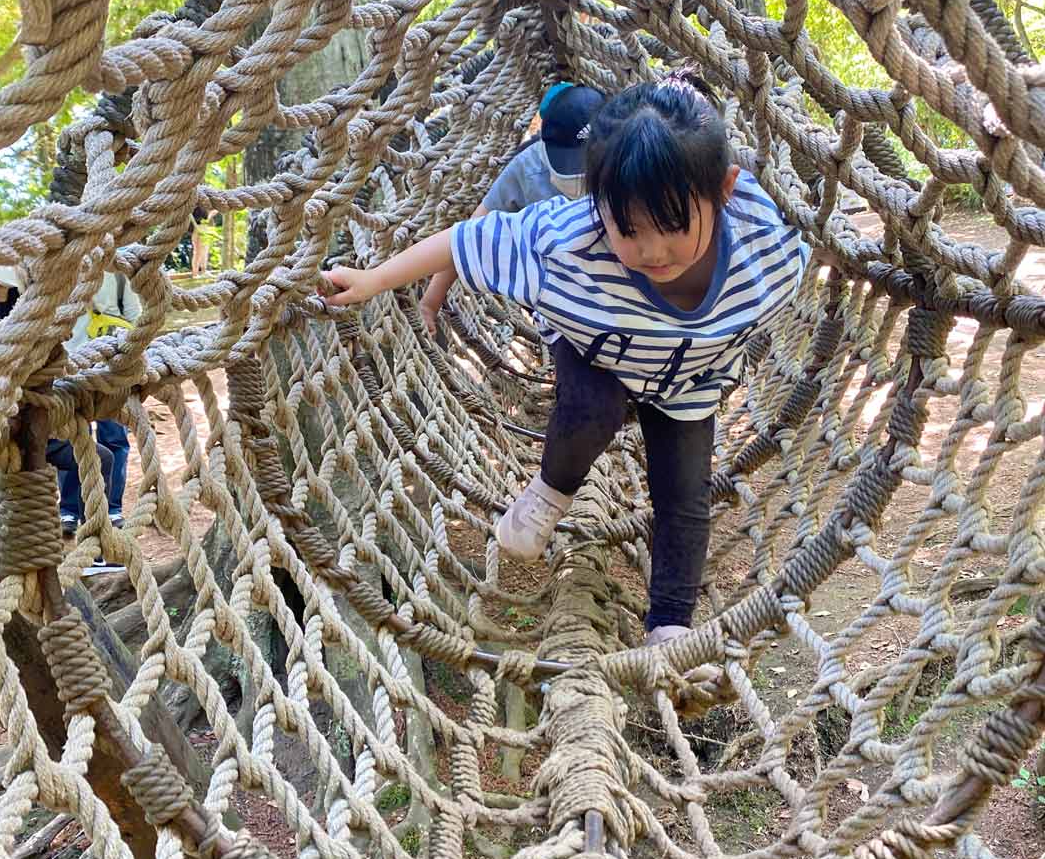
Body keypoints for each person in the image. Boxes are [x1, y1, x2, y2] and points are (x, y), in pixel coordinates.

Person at [319, 80, 809, 646]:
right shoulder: (568, 241)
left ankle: (669, 625)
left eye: (672, 227)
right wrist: (374, 281)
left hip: (685, 378)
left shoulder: (767, 251)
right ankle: (550, 492)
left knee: (684, 493)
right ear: (594, 201)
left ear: (723, 193)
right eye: (628, 230)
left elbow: (818, 236)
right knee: (591, 408)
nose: (651, 252)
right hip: (592, 337)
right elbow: (466, 239)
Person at [418, 83, 605, 334]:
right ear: (547, 146)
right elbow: (469, 235)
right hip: (557, 284)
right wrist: (430, 302)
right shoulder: (528, 169)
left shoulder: (628, 150)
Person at [58, 270, 141, 532]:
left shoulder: (118, 272)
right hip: (71, 366)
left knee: (114, 439)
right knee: (72, 439)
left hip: (110, 367)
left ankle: (111, 508)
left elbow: (135, 317)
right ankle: (69, 510)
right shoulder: (65, 265)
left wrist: (127, 360)